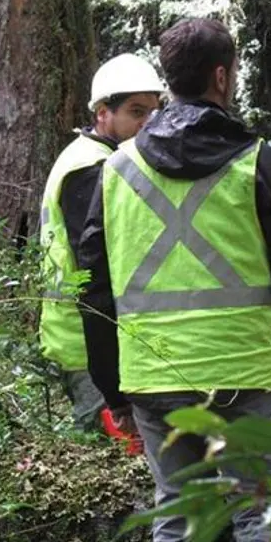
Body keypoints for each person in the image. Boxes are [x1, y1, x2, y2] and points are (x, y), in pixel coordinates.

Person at [78, 18, 271, 542]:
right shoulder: (256, 161)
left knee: (180, 513)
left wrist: (111, 386)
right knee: (261, 511)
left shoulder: (117, 169)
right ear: (222, 75)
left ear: (169, 79)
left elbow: (93, 289)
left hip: (153, 375)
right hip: (241, 372)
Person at [38, 53, 164, 432]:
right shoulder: (90, 168)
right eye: (136, 112)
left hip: (96, 338)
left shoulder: (106, 159)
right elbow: (97, 264)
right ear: (102, 113)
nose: (147, 124)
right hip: (87, 341)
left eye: (153, 112)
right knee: (113, 452)